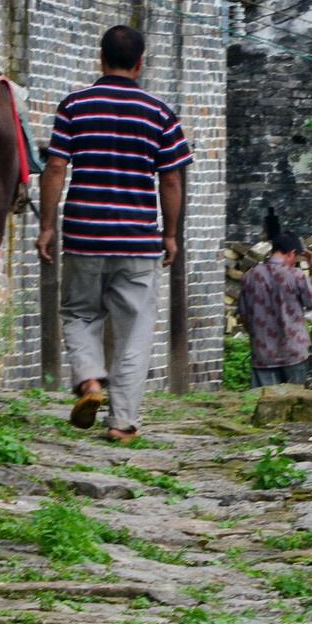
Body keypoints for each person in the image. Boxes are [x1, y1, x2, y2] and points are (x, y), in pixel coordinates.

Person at [35, 25, 190, 442]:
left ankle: (89, 382)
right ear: (140, 63)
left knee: (79, 313)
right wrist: (170, 235)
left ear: (100, 58)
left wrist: (47, 226)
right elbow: (171, 180)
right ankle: (122, 423)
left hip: (85, 234)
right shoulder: (160, 113)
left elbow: (54, 168)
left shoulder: (75, 107)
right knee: (134, 330)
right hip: (138, 240)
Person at [237, 229, 312, 388]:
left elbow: (243, 317)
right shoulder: (296, 275)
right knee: (297, 404)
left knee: (263, 404)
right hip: (294, 353)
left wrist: (257, 337)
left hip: (263, 355)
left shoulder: (249, 277)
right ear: (292, 253)